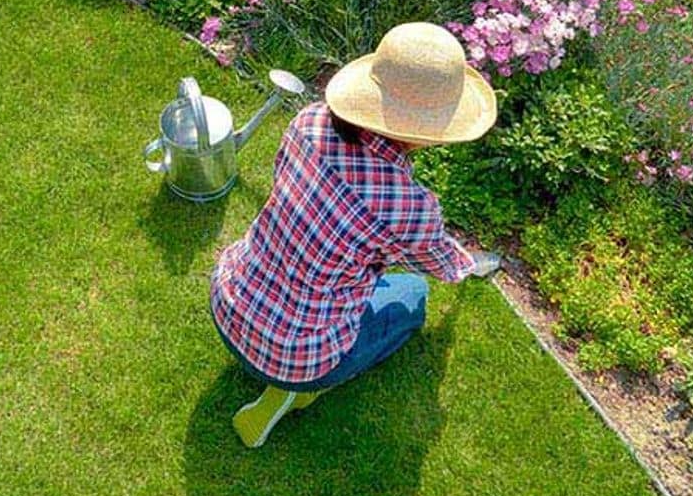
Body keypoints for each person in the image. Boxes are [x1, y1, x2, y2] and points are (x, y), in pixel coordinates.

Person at [209, 22, 505, 449]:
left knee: (365, 277)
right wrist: (468, 264)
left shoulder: (308, 122)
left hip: (229, 301)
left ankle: (287, 373)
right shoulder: (409, 206)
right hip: (293, 354)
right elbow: (440, 264)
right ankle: (296, 393)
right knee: (412, 298)